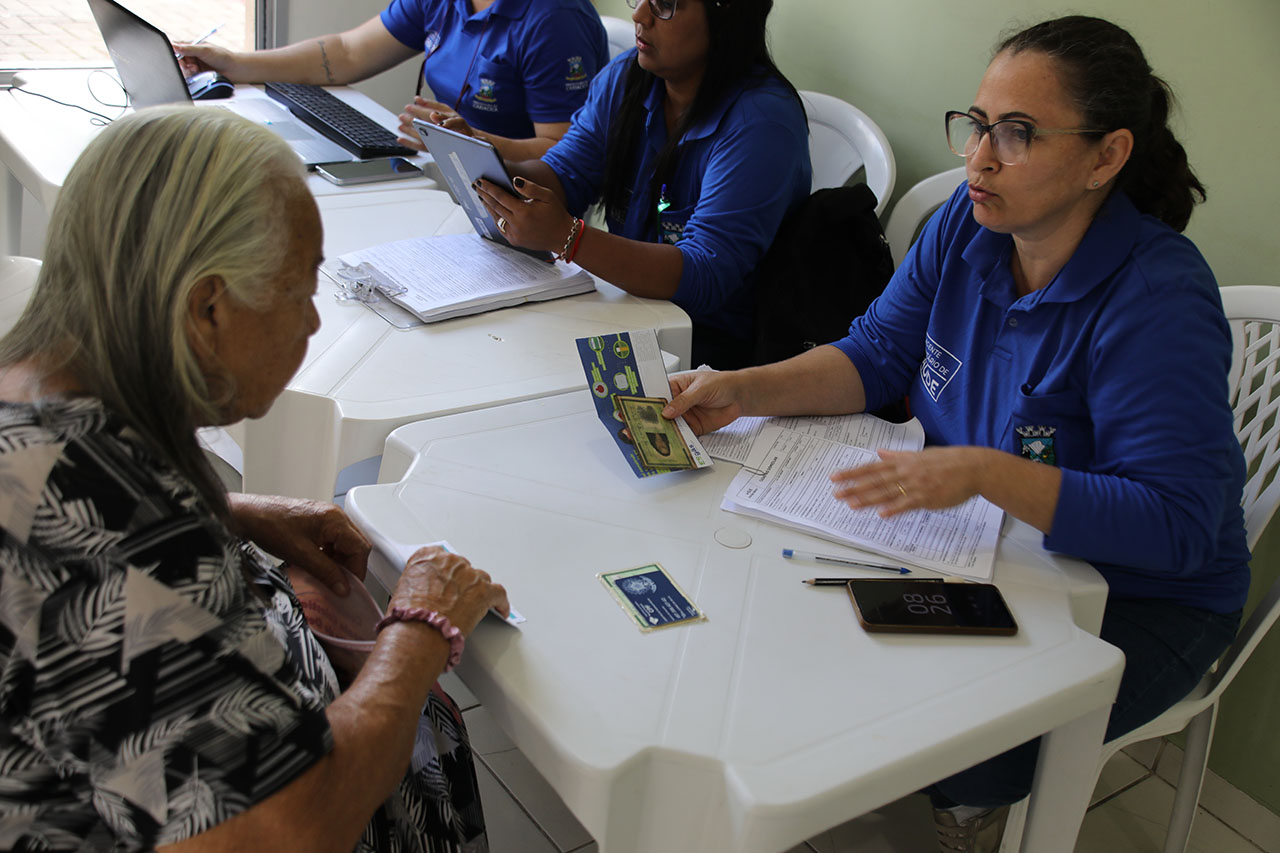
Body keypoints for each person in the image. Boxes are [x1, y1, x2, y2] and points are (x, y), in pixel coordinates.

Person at [662, 15, 1248, 852]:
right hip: (982, 540)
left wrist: (987, 473)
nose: (978, 158)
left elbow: (1181, 526)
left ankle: (966, 811)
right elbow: (873, 355)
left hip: (1143, 596)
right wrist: (741, 389)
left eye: (1017, 135)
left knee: (944, 737)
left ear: (1106, 156)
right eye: (977, 125)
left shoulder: (1156, 300)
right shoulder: (969, 227)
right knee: (802, 641)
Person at [0, 107, 509, 851]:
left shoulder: (32, 393)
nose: (310, 323)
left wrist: (228, 512)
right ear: (207, 308)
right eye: (299, 291)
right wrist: (422, 628)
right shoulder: (129, 529)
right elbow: (284, 829)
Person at [471, 0, 812, 369]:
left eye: (665, 5)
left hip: (710, 354)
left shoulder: (761, 123)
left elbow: (703, 276)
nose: (639, 15)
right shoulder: (627, 78)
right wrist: (487, 165)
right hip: (628, 314)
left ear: (726, 17)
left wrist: (569, 236)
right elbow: (567, 173)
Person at [175, 0, 609, 160]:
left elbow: (563, 153)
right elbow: (345, 54)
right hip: (450, 172)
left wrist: (469, 138)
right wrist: (233, 63)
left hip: (520, 210)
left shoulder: (555, 19)